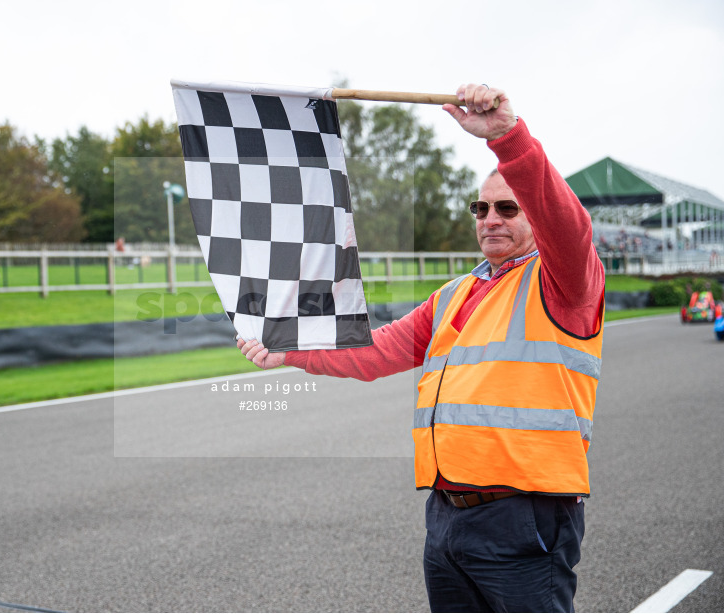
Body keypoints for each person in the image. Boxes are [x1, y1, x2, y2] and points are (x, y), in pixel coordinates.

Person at [237, 83, 605, 613]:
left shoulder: (566, 282)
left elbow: (569, 226)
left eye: (508, 208)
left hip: (525, 517)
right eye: (481, 207)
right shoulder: (456, 293)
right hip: (447, 516)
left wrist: (506, 136)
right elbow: (375, 351)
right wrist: (289, 352)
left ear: (535, 220)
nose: (490, 218)